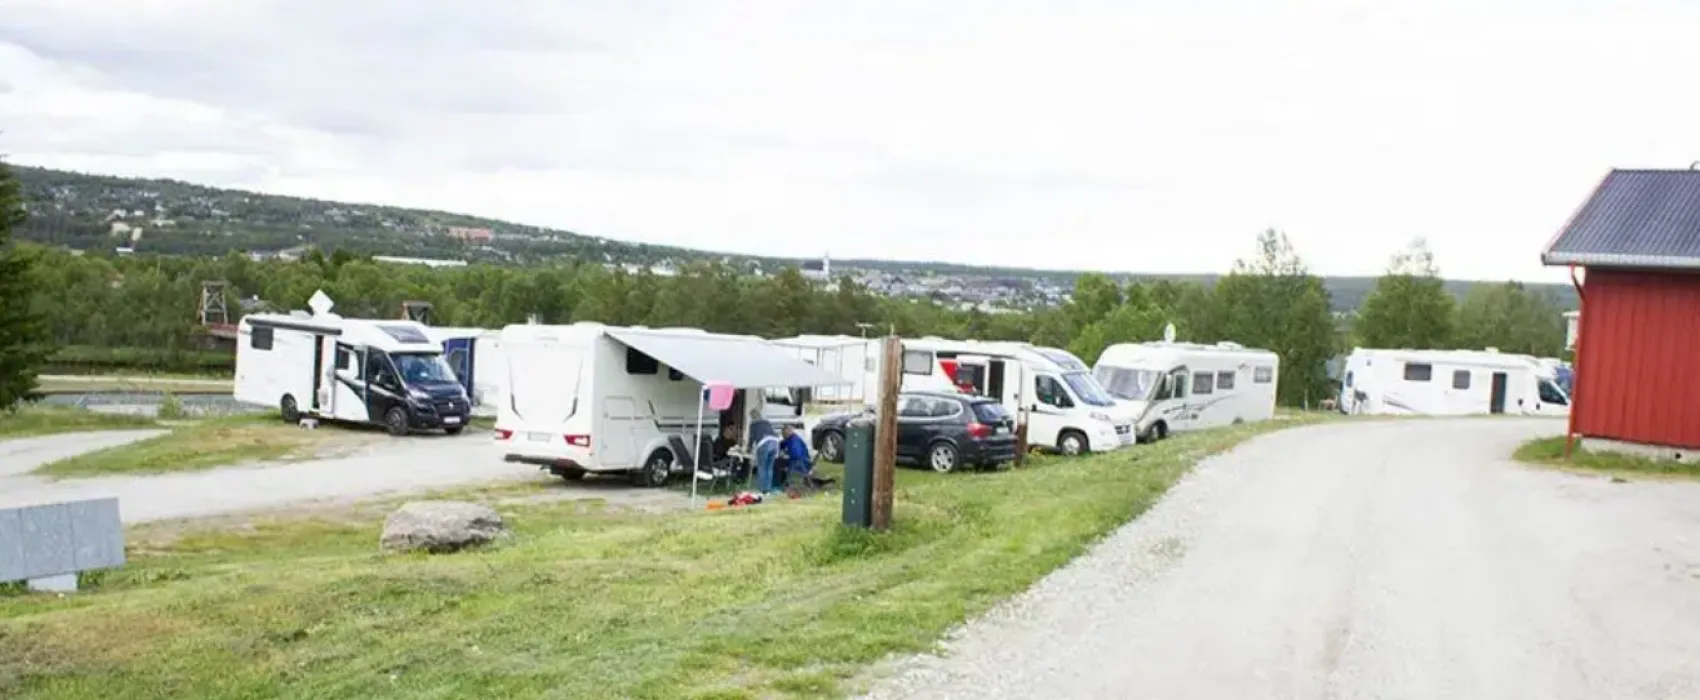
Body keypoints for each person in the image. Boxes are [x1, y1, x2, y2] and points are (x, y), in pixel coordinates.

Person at [748, 409, 780, 493]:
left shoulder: (753, 425)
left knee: (762, 467)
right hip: (775, 443)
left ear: (752, 417)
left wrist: (749, 449)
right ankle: (768, 489)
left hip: (764, 443)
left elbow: (751, 438)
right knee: (769, 468)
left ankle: (762, 489)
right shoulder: (767, 422)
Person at [777, 424, 812, 489]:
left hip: (801, 462)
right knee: (779, 461)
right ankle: (783, 482)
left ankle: (782, 483)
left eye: (784, 434)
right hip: (799, 460)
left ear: (788, 432)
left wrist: (786, 454)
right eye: (782, 434)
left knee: (778, 462)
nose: (783, 436)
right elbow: (783, 443)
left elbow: (796, 455)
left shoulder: (794, 440)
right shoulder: (791, 438)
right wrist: (781, 446)